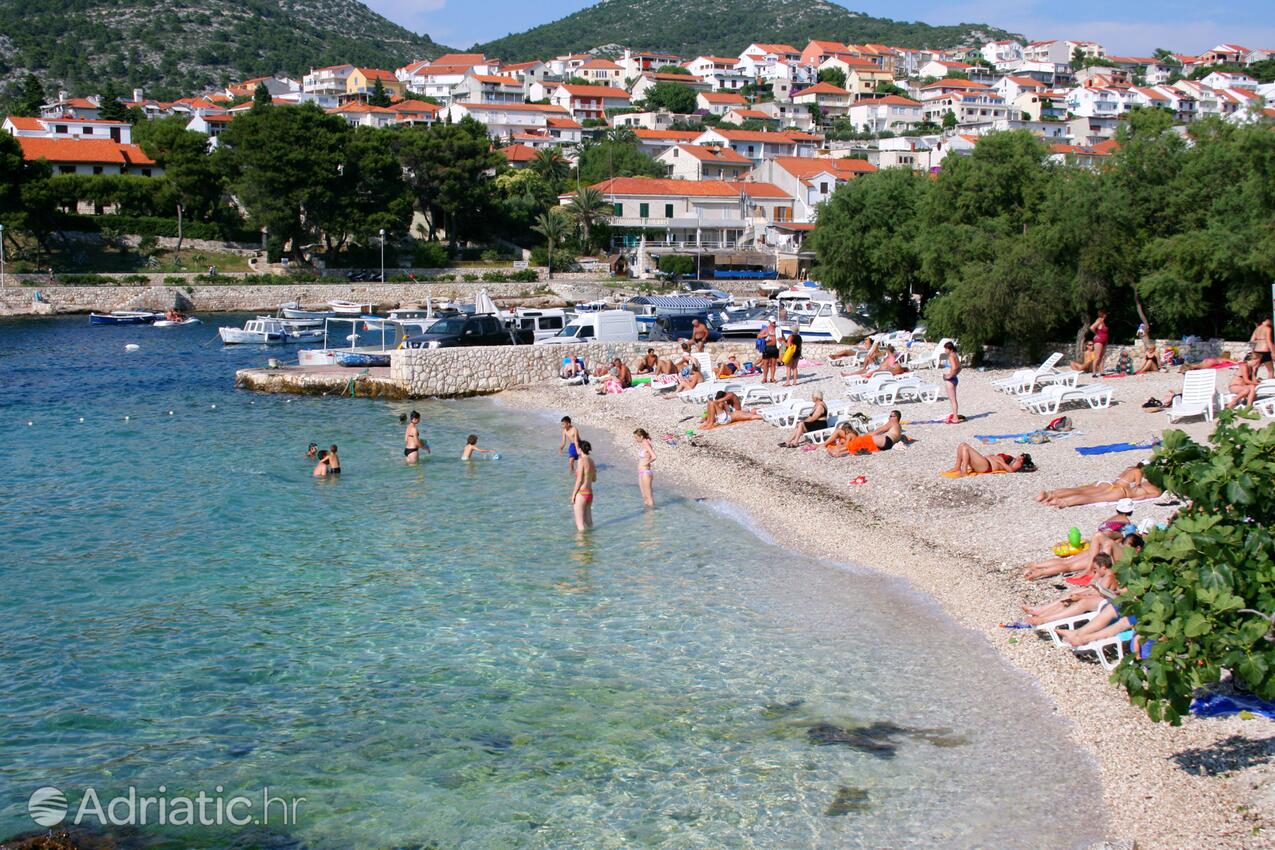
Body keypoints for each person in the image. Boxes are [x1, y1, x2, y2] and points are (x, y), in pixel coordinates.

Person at [1036, 465, 1161, 508]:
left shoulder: (1131, 469)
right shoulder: (1155, 489)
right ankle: (1062, 502)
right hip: (1121, 492)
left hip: (1108, 483)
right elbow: (1142, 495)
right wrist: (1130, 500)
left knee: (1080, 490)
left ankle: (1050, 494)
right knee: (1090, 498)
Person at [827, 410, 905, 457]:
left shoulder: (892, 423)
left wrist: (866, 434)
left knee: (859, 441)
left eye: (891, 416)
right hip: (888, 444)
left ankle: (838, 451)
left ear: (896, 418)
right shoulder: (899, 426)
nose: (889, 417)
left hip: (886, 440)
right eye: (890, 416)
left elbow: (878, 431)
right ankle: (841, 452)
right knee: (862, 446)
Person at [944, 443, 1033, 476]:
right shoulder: (1013, 459)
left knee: (965, 447)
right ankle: (957, 467)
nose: (1020, 455)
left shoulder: (1018, 463)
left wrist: (999, 461)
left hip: (987, 466)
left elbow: (1011, 470)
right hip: (985, 462)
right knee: (962, 445)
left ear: (1022, 460)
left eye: (1022, 455)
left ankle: (963, 471)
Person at [570, 440, 596, 531]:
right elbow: (594, 479)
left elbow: (579, 479)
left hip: (581, 493)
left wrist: (573, 495)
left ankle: (581, 544)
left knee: (580, 525)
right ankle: (591, 543)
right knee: (589, 524)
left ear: (580, 449)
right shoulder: (592, 461)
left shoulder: (581, 461)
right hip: (589, 494)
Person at [634, 427, 656, 508]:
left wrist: (646, 463)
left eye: (636, 437)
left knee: (649, 497)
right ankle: (648, 516)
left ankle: (652, 515)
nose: (635, 439)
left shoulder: (646, 444)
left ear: (641, 437)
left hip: (646, 473)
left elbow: (654, 456)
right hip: (641, 473)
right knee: (645, 497)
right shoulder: (645, 443)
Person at [942, 341, 961, 424]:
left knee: (952, 400)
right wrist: (955, 374)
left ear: (949, 349)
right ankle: (954, 416)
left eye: (945, 349)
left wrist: (950, 376)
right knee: (953, 399)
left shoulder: (951, 356)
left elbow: (954, 367)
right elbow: (960, 367)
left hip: (950, 380)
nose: (944, 350)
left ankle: (955, 417)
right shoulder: (955, 355)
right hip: (954, 378)